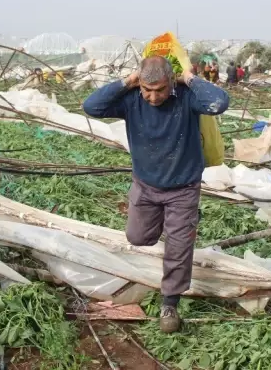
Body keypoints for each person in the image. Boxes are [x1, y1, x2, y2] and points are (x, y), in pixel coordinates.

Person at [82, 56, 229, 333]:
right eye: (147, 90)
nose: (152, 96)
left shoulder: (186, 97)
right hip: (146, 186)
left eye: (159, 89)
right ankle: (173, 226)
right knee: (138, 237)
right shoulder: (132, 100)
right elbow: (91, 106)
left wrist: (190, 78)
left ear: (171, 82)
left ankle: (170, 301)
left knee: (178, 248)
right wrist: (127, 81)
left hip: (183, 188)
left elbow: (219, 103)